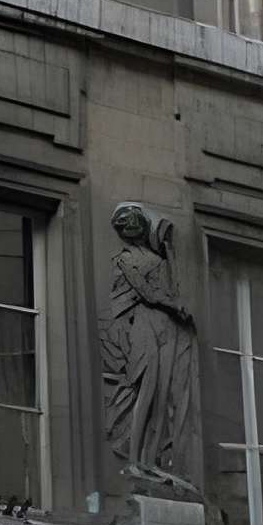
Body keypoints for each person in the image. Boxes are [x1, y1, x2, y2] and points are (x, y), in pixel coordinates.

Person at [101, 202, 199, 491]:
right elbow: (147, 292)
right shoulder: (126, 259)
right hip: (144, 325)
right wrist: (175, 305)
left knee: (162, 394)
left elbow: (169, 285)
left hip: (165, 327)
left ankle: (150, 460)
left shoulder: (157, 257)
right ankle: (133, 459)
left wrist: (168, 250)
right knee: (147, 388)